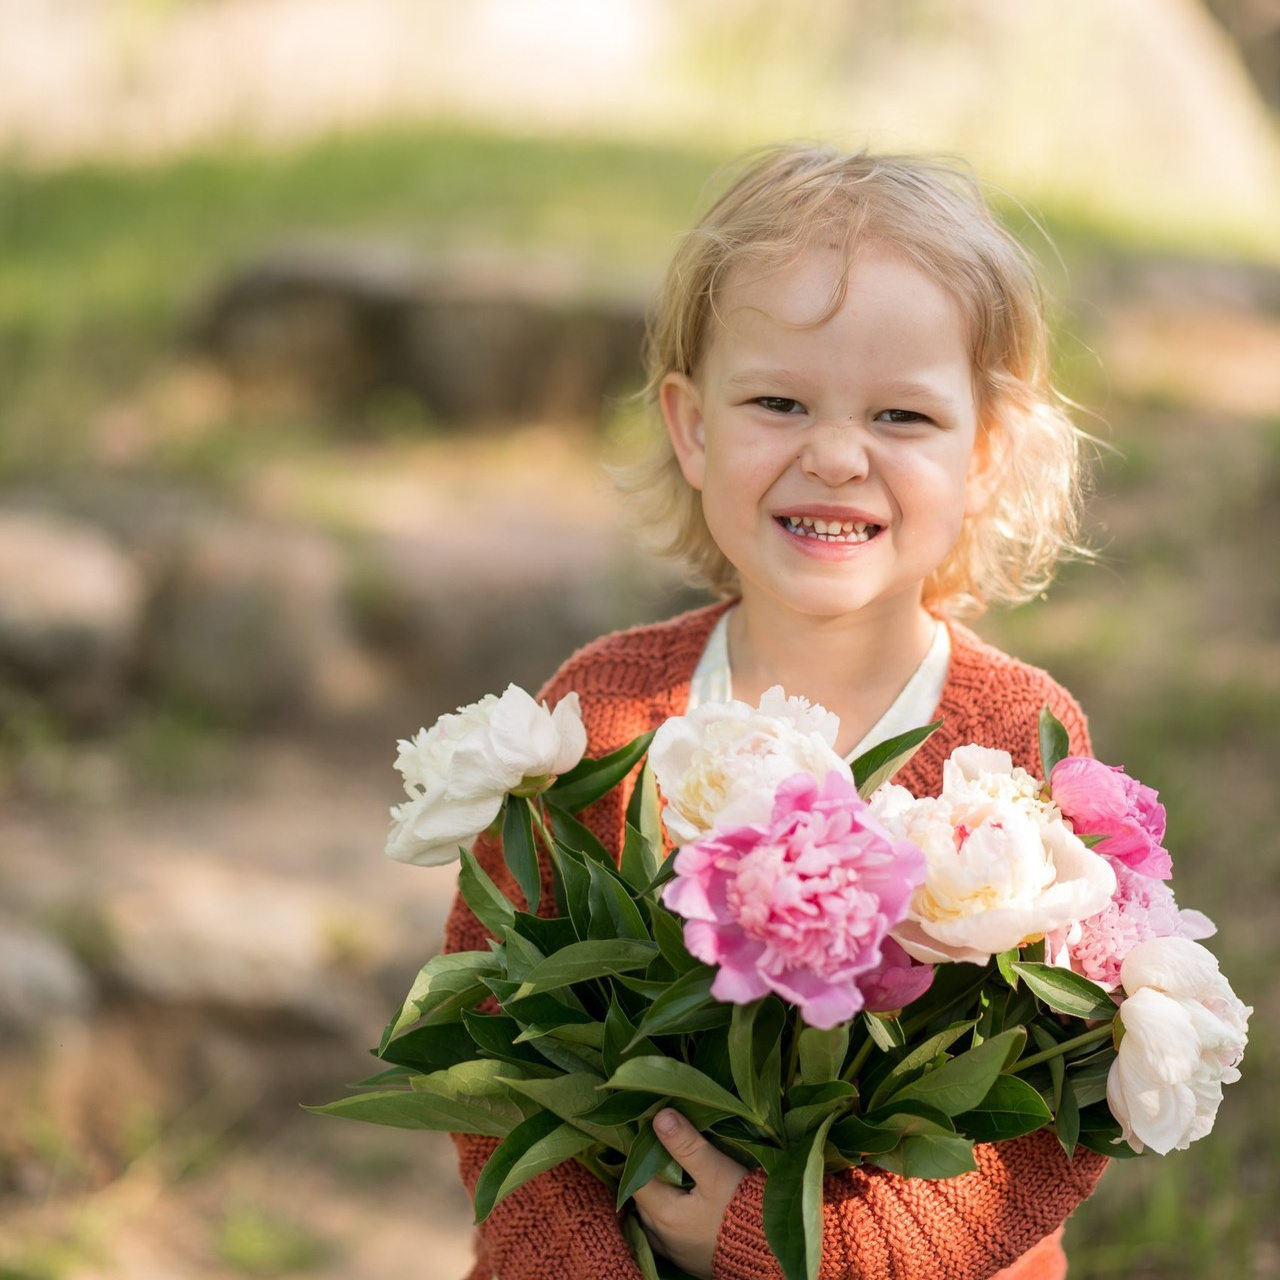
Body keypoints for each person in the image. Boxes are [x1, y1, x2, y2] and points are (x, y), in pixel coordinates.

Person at [443, 142, 1109, 1280]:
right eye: (778, 402)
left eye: (901, 415)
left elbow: (1045, 1123)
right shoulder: (605, 718)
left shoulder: (1013, 742)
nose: (835, 454)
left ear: (984, 454)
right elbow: (492, 1046)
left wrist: (783, 1245)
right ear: (693, 427)